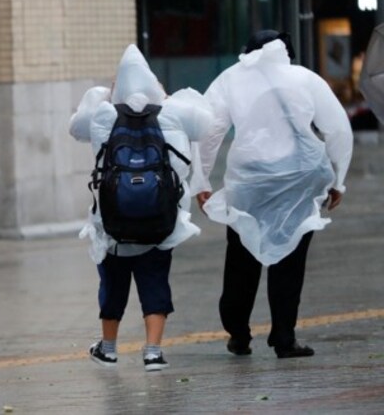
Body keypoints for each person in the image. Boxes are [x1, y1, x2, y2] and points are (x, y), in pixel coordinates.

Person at [192, 30, 353, 358]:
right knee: (290, 260)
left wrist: (202, 181)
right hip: (298, 179)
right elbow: (337, 128)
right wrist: (339, 179)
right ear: (286, 52)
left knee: (241, 258)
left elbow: (207, 133)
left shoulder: (230, 79)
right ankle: (283, 337)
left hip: (249, 182)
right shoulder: (304, 78)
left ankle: (238, 334)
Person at [70, 44, 212, 371]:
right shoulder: (174, 113)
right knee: (155, 280)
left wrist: (102, 95)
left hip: (113, 227)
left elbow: (75, 127)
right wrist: (168, 97)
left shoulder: (105, 116)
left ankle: (108, 348)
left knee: (113, 284)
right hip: (160, 224)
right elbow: (208, 122)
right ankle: (152, 352)